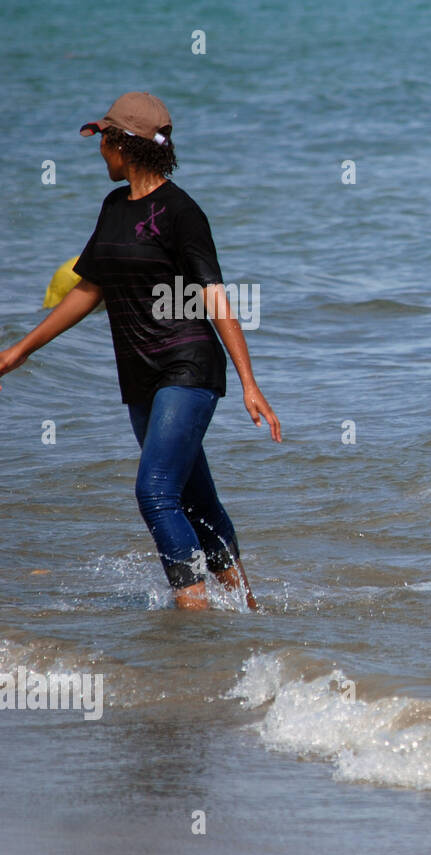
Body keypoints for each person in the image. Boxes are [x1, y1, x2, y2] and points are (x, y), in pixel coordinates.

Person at [0, 92, 280, 610]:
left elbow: (214, 295)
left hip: (188, 366)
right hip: (140, 374)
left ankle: (193, 611)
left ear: (122, 145)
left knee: (154, 493)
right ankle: (248, 610)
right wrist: (20, 351)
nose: (99, 151)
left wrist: (248, 381)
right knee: (196, 500)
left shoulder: (181, 211)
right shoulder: (112, 209)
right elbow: (89, 288)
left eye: (104, 140)